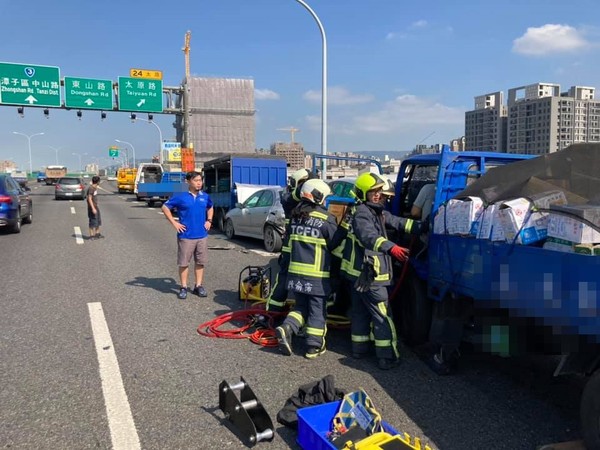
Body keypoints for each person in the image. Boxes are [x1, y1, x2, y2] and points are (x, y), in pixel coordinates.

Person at [343, 172, 423, 370]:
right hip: (369, 275)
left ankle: (359, 350)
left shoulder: (374, 211)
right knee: (382, 315)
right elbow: (368, 236)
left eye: (379, 191)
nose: (378, 195)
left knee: (360, 313)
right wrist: (391, 247)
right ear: (363, 193)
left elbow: (397, 221)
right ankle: (387, 357)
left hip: (357, 273)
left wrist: (422, 226)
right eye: (373, 192)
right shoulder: (363, 212)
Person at [275, 179, 345, 359]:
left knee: (301, 306)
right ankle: (314, 346)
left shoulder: (296, 217)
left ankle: (287, 327)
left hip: (295, 273)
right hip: (317, 276)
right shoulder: (326, 219)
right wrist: (345, 228)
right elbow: (335, 245)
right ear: (319, 196)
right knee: (317, 310)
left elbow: (288, 247)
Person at [266, 168, 316, 313]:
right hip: (291, 246)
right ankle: (272, 312)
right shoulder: (289, 198)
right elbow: (290, 199)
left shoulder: (313, 201)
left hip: (308, 247)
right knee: (283, 279)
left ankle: (304, 312)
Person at [161, 171, 214, 300]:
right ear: (188, 181)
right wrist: (174, 223)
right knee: (184, 263)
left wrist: (209, 220)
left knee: (200, 262)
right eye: (196, 180)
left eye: (200, 180)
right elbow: (165, 207)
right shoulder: (181, 196)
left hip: (201, 235)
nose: (199, 183)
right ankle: (183, 287)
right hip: (186, 236)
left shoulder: (205, 196)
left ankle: (198, 286)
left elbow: (210, 207)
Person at [87, 176, 103, 240]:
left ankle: (97, 233)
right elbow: (89, 199)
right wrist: (93, 208)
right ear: (98, 182)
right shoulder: (91, 188)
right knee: (92, 221)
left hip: (96, 206)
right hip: (92, 207)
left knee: (98, 220)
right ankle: (91, 235)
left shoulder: (95, 187)